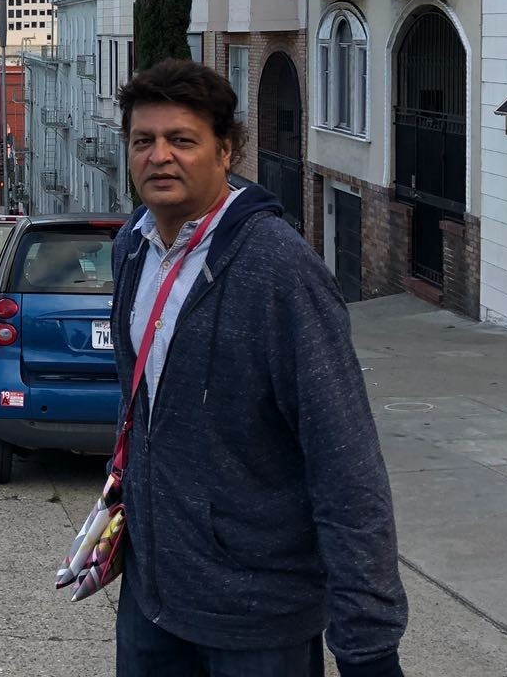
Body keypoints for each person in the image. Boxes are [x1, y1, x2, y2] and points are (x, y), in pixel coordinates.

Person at [109, 59, 407, 677]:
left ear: (226, 151)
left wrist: (368, 645)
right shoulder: (134, 247)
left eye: (182, 140)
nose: (159, 156)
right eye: (143, 141)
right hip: (153, 601)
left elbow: (345, 460)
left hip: (258, 619)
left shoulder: (279, 269)